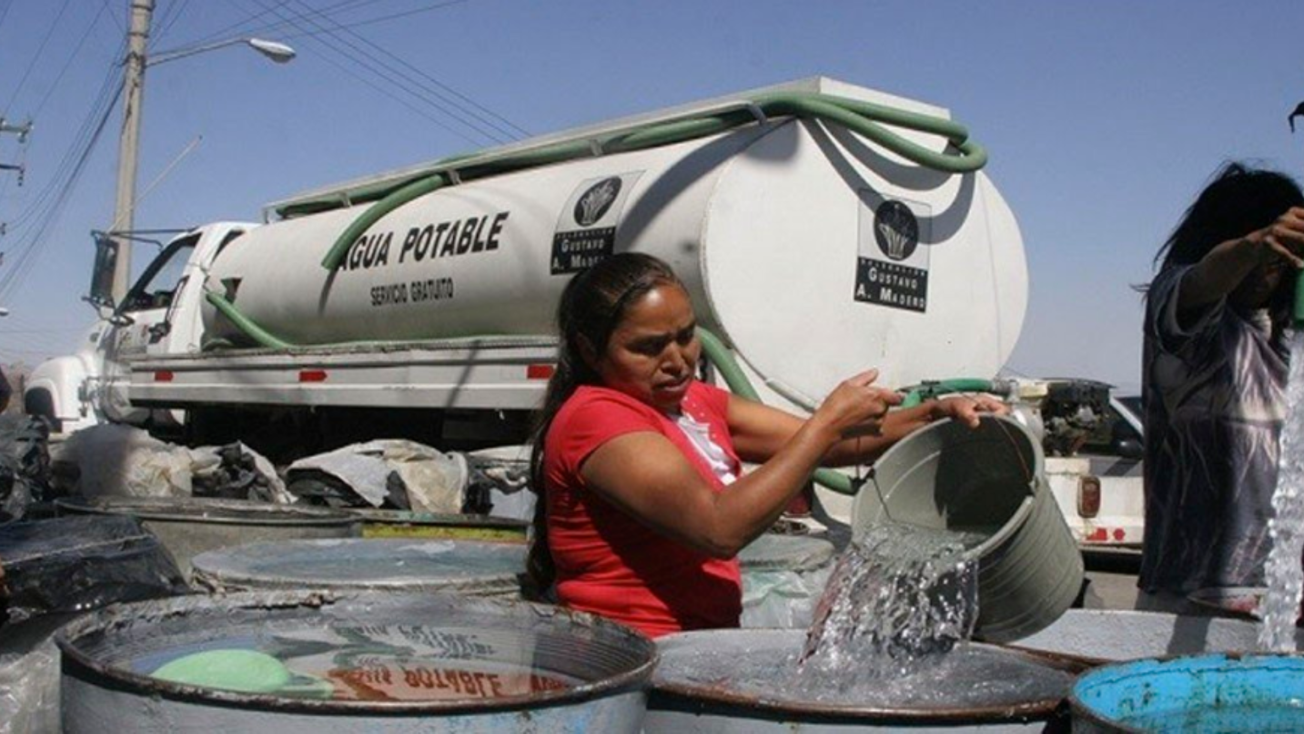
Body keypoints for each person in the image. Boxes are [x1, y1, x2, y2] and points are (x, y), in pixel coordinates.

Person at [527, 252, 1005, 637]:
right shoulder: (596, 417)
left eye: (687, 337)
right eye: (649, 347)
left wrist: (936, 412)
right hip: (628, 653)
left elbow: (829, 446)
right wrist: (825, 424)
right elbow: (717, 528)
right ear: (591, 351)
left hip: (696, 643)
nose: (678, 360)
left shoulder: (694, 402)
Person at [1140, 162, 1304, 599]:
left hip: (1284, 592)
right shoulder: (1184, 320)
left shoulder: (1291, 333)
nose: (1269, 269)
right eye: (1262, 254)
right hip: (1193, 591)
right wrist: (1253, 246)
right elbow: (1204, 280)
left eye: (1282, 260)